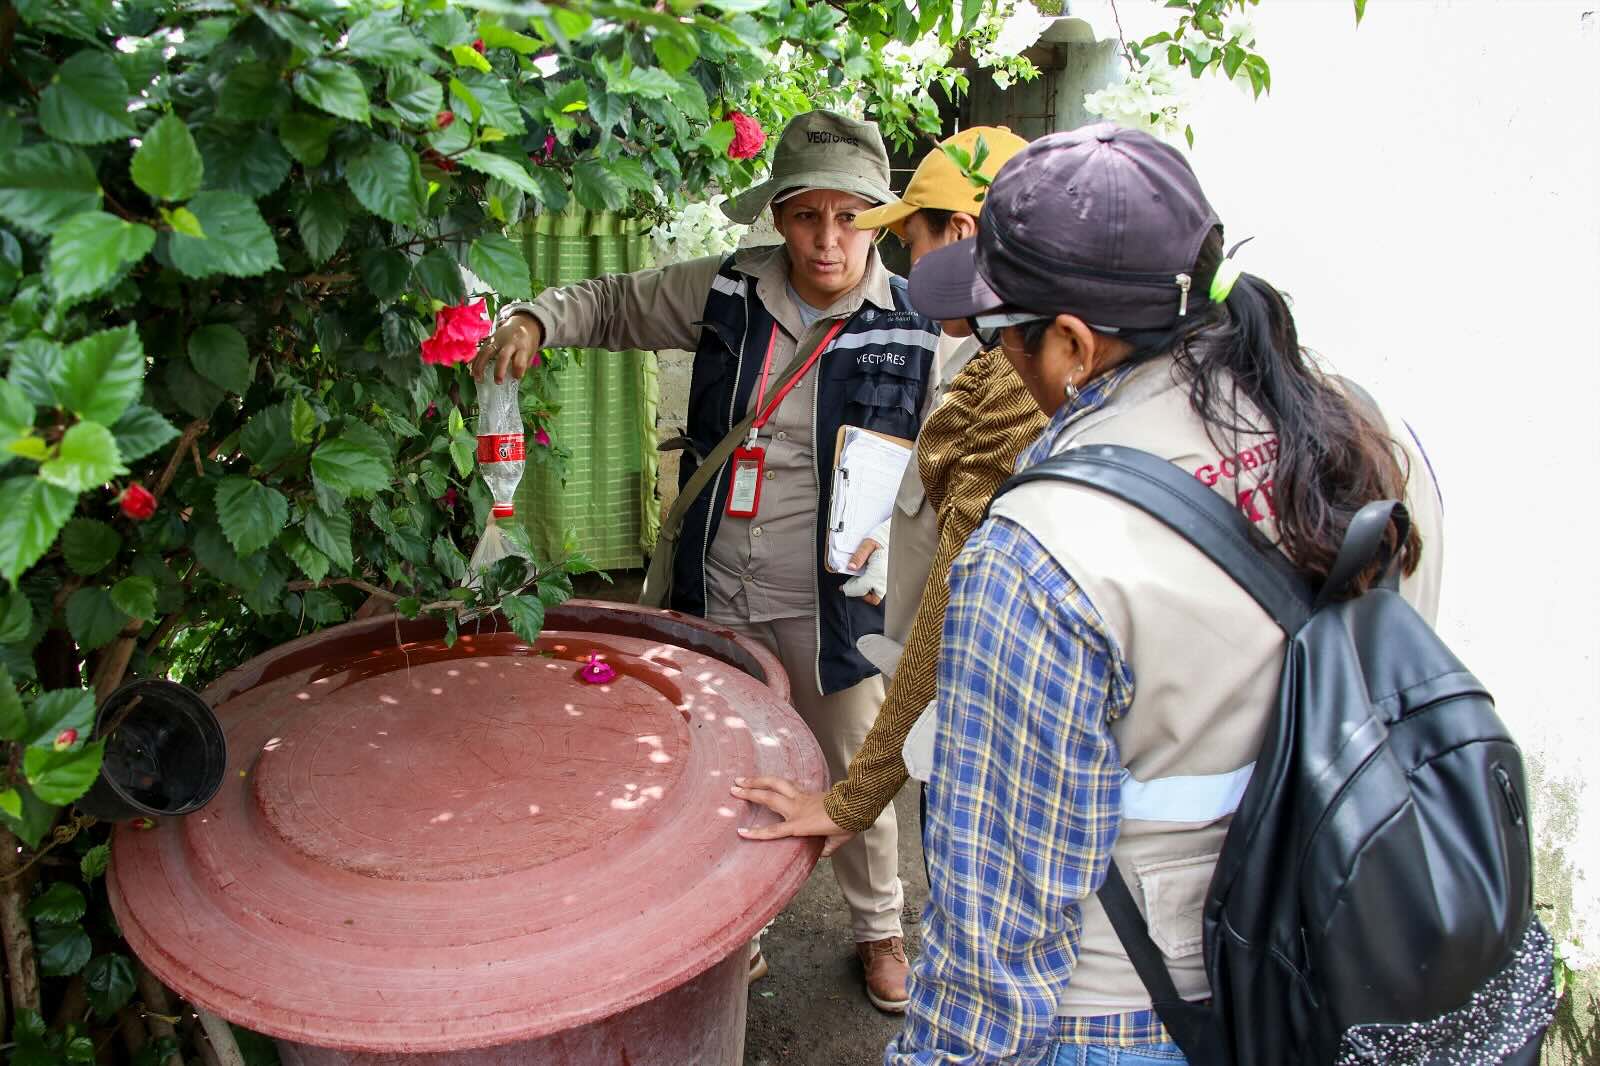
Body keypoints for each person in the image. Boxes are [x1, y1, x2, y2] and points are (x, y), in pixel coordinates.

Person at [882, 124, 1444, 1064]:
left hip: (1129, 1013)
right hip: (1332, 966)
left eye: (997, 332)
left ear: (1068, 342)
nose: (993, 356)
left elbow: (995, 948)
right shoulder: (1368, 434)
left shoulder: (1040, 552)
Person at [473, 110, 940, 1011]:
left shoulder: (922, 324)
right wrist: (534, 316)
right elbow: (612, 301)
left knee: (858, 766)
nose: (828, 239)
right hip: (718, 580)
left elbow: (963, 443)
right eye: (809, 215)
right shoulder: (728, 291)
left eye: (851, 217)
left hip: (838, 596)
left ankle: (880, 928)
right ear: (781, 215)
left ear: (877, 221)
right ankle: (742, 926)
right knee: (727, 756)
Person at [729, 127, 1045, 889]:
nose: (897, 263)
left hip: (1010, 730)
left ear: (962, 236)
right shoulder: (1005, 363)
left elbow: (948, 601)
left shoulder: (1019, 386)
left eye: (908, 240)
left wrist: (856, 797)